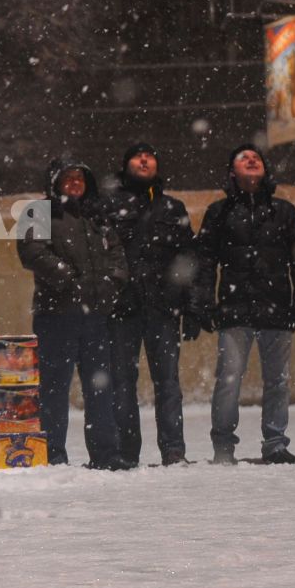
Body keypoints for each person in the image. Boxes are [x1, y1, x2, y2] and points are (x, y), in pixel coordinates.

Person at [192, 144, 295, 464]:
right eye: (243, 158)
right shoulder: (219, 213)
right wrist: (204, 304)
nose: (251, 160)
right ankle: (223, 446)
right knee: (229, 380)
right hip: (234, 310)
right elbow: (204, 262)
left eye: (256, 158)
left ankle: (275, 444)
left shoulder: (283, 212)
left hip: (277, 309)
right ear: (232, 172)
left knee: (278, 381)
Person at [17, 158, 130, 469]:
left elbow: (118, 255)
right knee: (54, 388)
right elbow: (32, 253)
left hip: (96, 316)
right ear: (55, 181)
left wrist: (112, 282)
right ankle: (53, 454)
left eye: (80, 177)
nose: (75, 182)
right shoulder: (36, 212)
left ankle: (105, 454)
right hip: (57, 315)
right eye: (68, 177)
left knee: (100, 387)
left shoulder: (97, 215)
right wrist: (68, 279)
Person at [97, 142, 198, 465]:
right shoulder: (107, 206)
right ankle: (127, 452)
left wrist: (192, 305)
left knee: (168, 382)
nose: (144, 160)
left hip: (163, 308)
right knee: (122, 383)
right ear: (125, 165)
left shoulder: (172, 208)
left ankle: (173, 450)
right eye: (137, 156)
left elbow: (188, 258)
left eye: (150, 155)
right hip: (122, 308)